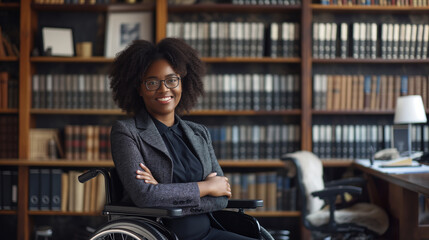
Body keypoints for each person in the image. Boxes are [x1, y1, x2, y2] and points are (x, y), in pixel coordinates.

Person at [109, 38, 258, 240]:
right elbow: (145, 196)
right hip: (162, 235)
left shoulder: (199, 133)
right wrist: (206, 188)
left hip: (209, 233)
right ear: (139, 88)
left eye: (172, 80)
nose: (164, 90)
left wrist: (163, 193)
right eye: (152, 82)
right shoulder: (126, 132)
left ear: (183, 82)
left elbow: (222, 196)